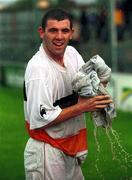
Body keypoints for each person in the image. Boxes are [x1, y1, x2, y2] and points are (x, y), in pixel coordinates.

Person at [23, 8, 112, 180]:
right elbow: (39, 119)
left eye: (64, 30)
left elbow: (85, 90)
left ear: (71, 33)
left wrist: (100, 81)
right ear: (42, 32)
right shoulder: (38, 68)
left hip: (69, 149)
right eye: (53, 30)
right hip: (46, 150)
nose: (59, 37)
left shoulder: (72, 54)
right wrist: (83, 107)